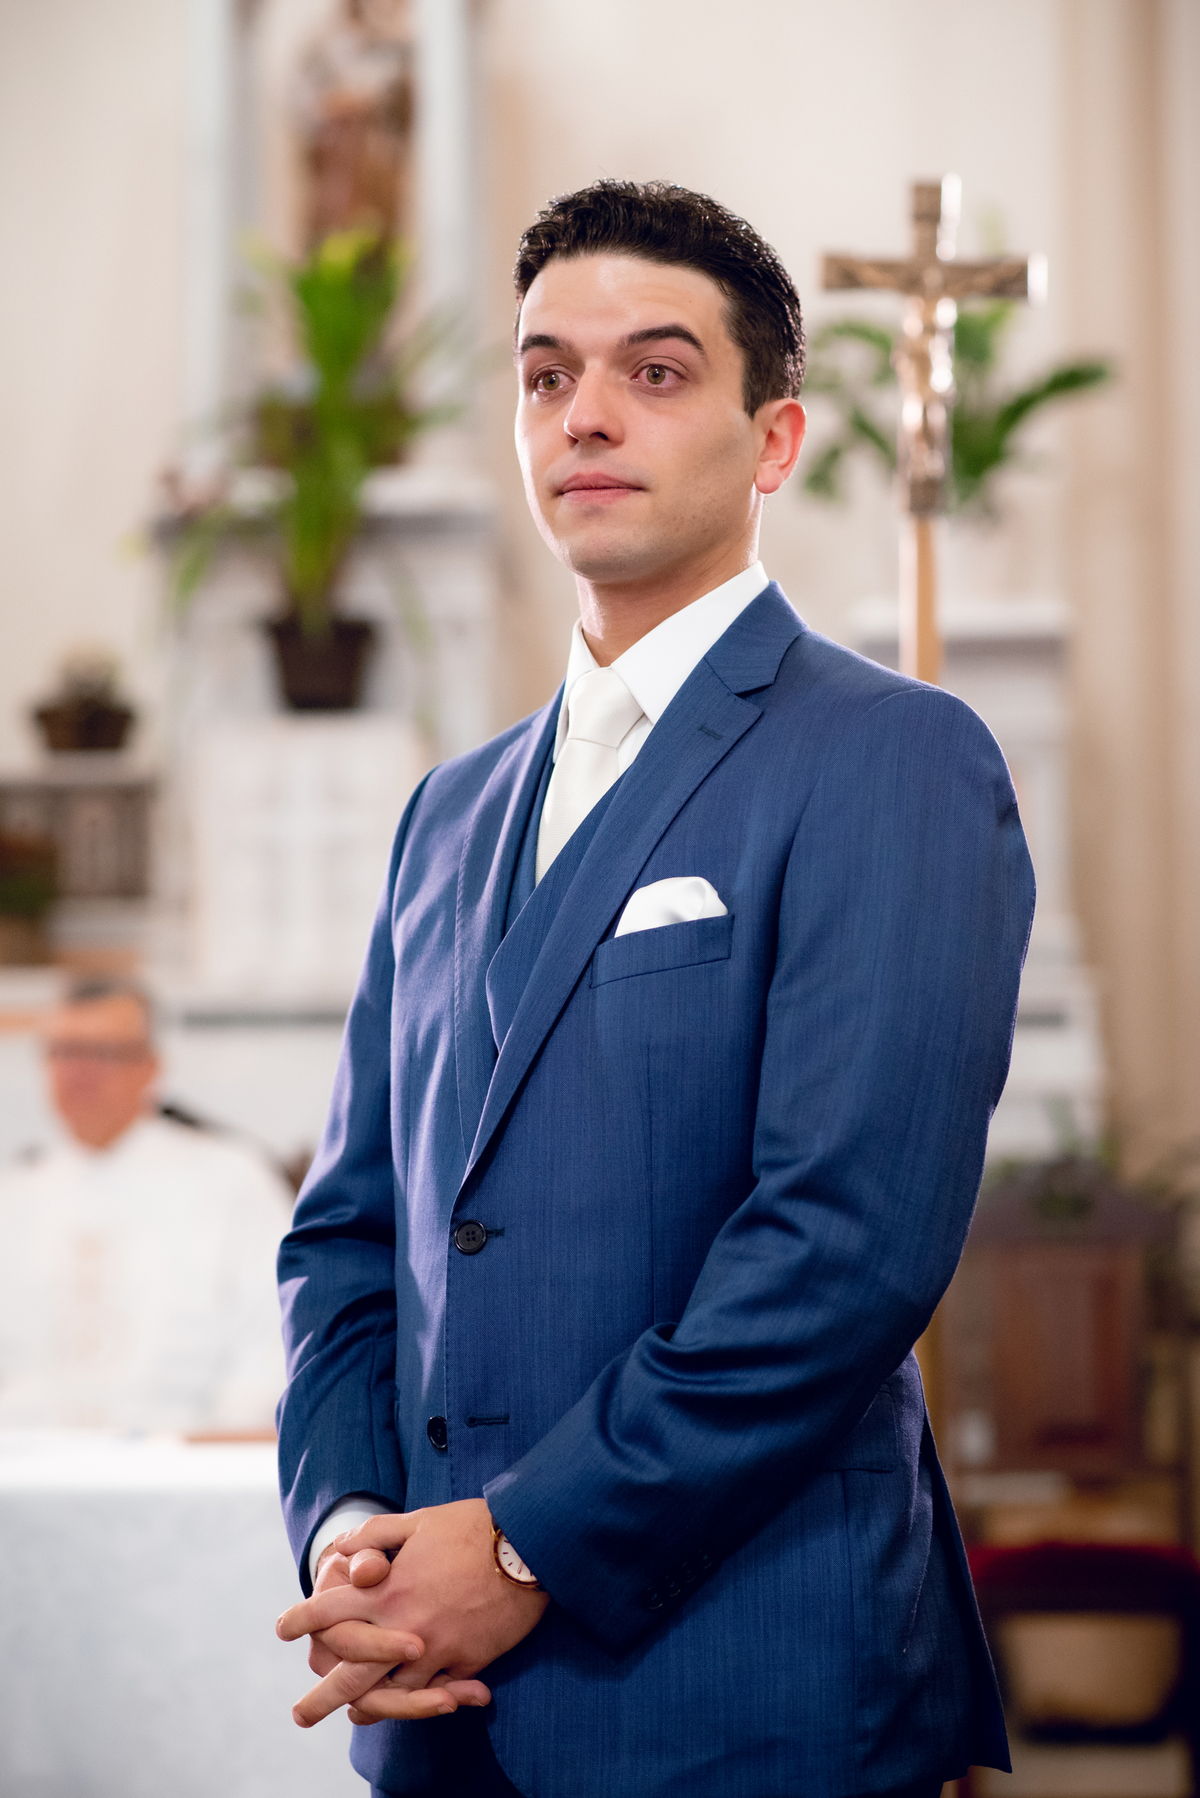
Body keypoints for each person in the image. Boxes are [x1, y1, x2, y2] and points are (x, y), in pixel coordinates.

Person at [275, 181, 1035, 1798]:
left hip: (742, 1686)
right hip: (439, 1704)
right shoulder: (447, 812)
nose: (587, 415)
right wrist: (356, 1531)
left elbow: (843, 1244)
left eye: (658, 371)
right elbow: (347, 1234)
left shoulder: (891, 757)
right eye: (546, 374)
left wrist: (524, 1545)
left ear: (775, 440)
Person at [0, 977, 289, 1434]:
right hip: (26, 1457)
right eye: (64, 1052)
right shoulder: (14, 1193)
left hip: (181, 1457)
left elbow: (271, 1333)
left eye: (103, 1053)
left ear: (151, 1066)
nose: (79, 1072)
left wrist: (223, 1443)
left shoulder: (232, 1179)